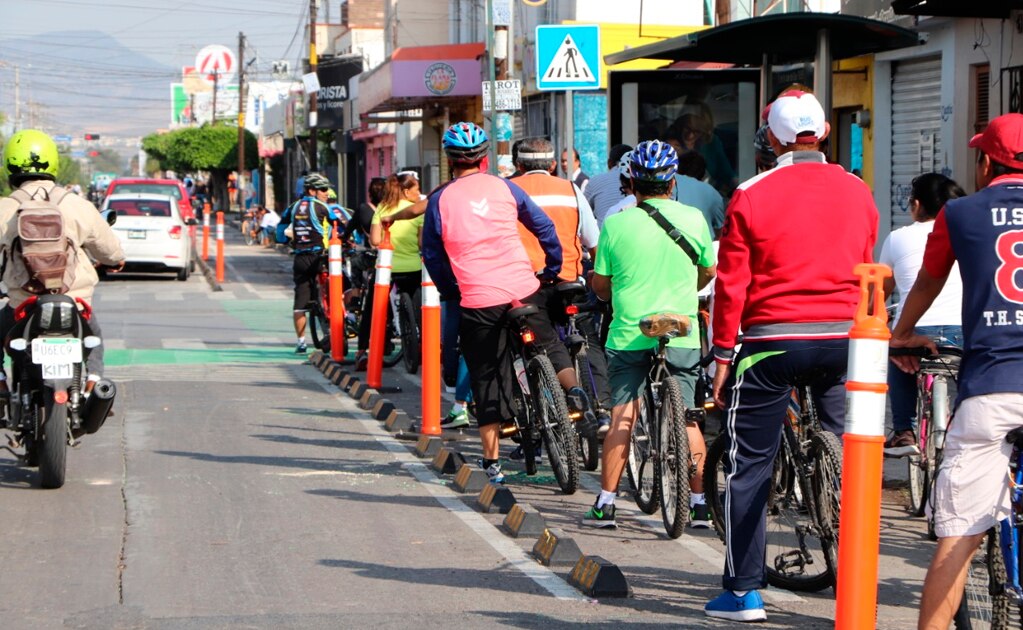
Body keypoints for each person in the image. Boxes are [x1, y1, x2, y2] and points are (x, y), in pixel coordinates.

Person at [706, 90, 878, 622]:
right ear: (823, 132)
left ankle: (742, 594)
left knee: (749, 464)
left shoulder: (751, 192)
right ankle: (856, 579)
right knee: (858, 458)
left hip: (772, 343)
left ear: (773, 139)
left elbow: (732, 284)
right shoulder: (858, 190)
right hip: (848, 341)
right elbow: (866, 261)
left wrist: (720, 356)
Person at [888, 113, 1023, 630]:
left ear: (986, 162)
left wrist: (901, 335)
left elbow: (927, 281)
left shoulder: (962, 213)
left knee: (959, 538)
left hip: (992, 387)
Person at [582, 140, 715, 529]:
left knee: (623, 414)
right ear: (672, 182)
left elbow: (601, 285)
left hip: (629, 334)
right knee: (689, 418)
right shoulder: (693, 218)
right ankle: (699, 503)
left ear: (631, 182)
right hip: (682, 332)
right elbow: (707, 271)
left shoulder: (617, 222)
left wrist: (610, 290)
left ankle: (606, 504)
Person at [420, 121, 563, 484]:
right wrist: (552, 267)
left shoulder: (439, 200)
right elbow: (544, 227)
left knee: (486, 376)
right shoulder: (505, 188)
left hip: (479, 299)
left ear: (450, 161)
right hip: (523, 288)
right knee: (550, 345)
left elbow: (432, 256)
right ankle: (574, 400)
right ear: (485, 160)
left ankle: (492, 462)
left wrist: (451, 289)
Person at [0, 129, 125, 394]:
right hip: (73, 301)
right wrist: (115, 261)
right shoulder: (77, 206)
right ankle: (92, 382)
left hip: (21, 304)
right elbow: (110, 251)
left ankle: (1, 383)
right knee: (93, 337)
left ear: (10, 165)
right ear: (54, 163)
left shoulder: (5, 209)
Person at [511, 137, 602, 438]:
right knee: (582, 335)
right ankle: (597, 403)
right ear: (552, 165)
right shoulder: (572, 190)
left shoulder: (507, 191)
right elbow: (593, 241)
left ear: (518, 165)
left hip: (525, 284)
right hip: (569, 281)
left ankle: (533, 413)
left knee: (534, 343)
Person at [879, 173, 965, 457]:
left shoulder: (897, 239)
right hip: (962, 330)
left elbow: (881, 290)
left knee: (897, 353)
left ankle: (904, 430)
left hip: (916, 327)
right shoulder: (966, 231)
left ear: (917, 204)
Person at [355, 173, 424, 369]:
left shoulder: (383, 209)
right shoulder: (418, 212)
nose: (419, 194)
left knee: (372, 309)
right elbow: (421, 242)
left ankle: (362, 351)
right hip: (413, 268)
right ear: (406, 191)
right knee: (421, 310)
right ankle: (425, 348)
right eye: (417, 189)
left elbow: (376, 241)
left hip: (386, 270)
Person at [276, 172, 340, 354]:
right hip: (319, 256)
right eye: (323, 189)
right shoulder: (322, 207)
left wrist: (282, 240)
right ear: (312, 190)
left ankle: (301, 342)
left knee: (299, 304)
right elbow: (339, 223)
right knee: (331, 288)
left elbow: (281, 227)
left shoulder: (293, 206)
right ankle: (331, 319)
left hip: (300, 258)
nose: (327, 193)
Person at [672, 152, 725, 239]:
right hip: (701, 248)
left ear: (677, 168)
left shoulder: (669, 183)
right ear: (703, 173)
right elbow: (721, 231)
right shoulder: (713, 193)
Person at [584, 144, 632, 225]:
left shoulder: (594, 181)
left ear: (609, 163)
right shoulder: (637, 183)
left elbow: (583, 214)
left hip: (603, 234)